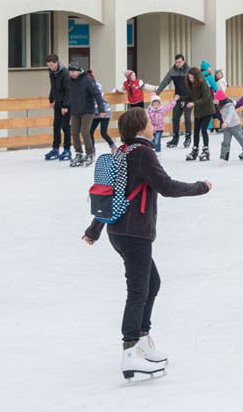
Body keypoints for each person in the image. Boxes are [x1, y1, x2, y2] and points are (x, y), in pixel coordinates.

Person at [84, 108, 212, 381]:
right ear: (142, 127)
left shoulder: (122, 152)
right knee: (139, 290)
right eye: (150, 122)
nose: (155, 125)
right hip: (135, 232)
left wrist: (94, 230)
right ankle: (129, 351)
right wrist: (201, 186)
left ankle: (142, 339)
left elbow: (109, 194)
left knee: (151, 283)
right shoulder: (142, 153)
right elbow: (166, 186)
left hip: (119, 231)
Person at [64, 65, 107, 167]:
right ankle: (79, 153)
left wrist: (101, 109)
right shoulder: (70, 81)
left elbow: (97, 94)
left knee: (85, 131)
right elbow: (68, 94)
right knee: (74, 132)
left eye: (74, 71)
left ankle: (90, 153)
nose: (72, 73)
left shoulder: (87, 80)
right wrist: (65, 105)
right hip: (75, 111)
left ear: (79, 71)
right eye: (70, 72)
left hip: (87, 110)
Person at [154, 54, 193, 148]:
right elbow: (165, 82)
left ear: (184, 61)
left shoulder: (189, 70)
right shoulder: (173, 71)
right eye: (176, 62)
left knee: (187, 118)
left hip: (188, 98)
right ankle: (175, 138)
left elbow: (195, 83)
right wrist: (157, 94)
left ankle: (188, 138)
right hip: (178, 98)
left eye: (180, 62)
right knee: (175, 118)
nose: (178, 64)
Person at [44, 54, 72, 160]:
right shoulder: (52, 72)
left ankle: (67, 150)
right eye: (48, 65)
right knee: (56, 126)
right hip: (58, 102)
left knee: (65, 127)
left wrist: (65, 105)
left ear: (57, 63)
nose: (50, 67)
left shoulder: (65, 73)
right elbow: (53, 87)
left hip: (66, 103)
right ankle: (55, 149)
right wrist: (51, 99)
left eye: (51, 65)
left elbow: (68, 91)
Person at [216, 89, 243, 162]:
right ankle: (224, 157)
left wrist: (226, 122)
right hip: (227, 127)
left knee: (241, 139)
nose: (215, 100)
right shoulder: (220, 106)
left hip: (235, 125)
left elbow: (230, 114)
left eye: (216, 99)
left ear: (221, 99)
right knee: (226, 142)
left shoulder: (229, 105)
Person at [184, 64, 214, 161]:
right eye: (189, 77)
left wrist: (193, 103)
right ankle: (195, 149)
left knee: (203, 129)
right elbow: (189, 97)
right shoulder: (191, 85)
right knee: (196, 130)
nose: (190, 79)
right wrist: (180, 98)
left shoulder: (203, 83)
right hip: (198, 111)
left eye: (192, 77)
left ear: (196, 77)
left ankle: (206, 150)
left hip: (207, 110)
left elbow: (206, 98)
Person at [88, 70, 116, 154]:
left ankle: (113, 146)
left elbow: (97, 101)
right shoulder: (87, 87)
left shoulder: (96, 87)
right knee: (90, 131)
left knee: (103, 132)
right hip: (96, 114)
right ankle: (92, 149)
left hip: (104, 112)